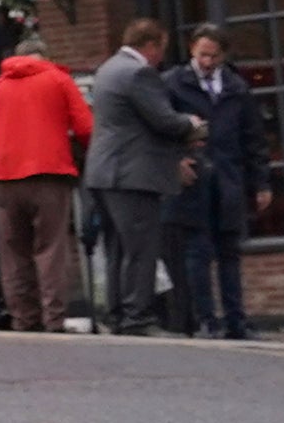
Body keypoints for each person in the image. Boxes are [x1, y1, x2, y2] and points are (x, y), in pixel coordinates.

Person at [82, 18, 201, 333]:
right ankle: (137, 316)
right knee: (141, 248)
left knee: (117, 248)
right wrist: (191, 123)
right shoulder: (139, 73)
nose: (162, 56)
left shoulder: (107, 69)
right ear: (150, 45)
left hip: (103, 173)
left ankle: (118, 314)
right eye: (161, 48)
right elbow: (163, 120)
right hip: (132, 175)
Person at [0, 20, 88, 333]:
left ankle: (24, 318)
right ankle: (54, 319)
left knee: (14, 253)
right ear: (45, 57)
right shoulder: (58, 79)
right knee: (51, 250)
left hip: (4, 176)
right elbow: (85, 126)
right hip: (49, 173)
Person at [159, 27, 260, 343]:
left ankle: (236, 321)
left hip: (228, 178)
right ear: (192, 49)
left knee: (230, 252)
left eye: (214, 56)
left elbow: (253, 139)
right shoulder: (172, 83)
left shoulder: (236, 87)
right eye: (203, 54)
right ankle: (205, 320)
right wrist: (176, 160)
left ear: (223, 55)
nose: (207, 61)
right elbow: (159, 130)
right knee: (197, 253)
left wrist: (261, 182)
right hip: (193, 179)